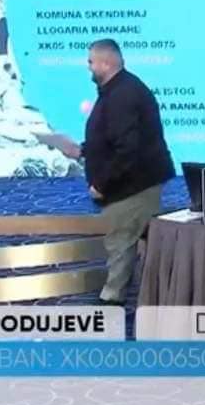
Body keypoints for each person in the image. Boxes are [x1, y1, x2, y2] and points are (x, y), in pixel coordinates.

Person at [44, 40, 175, 306]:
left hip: (133, 187)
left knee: (121, 241)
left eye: (91, 61)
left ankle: (112, 301)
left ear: (106, 63)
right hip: (134, 183)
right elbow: (112, 139)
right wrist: (82, 151)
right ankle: (150, 296)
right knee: (130, 239)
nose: (88, 67)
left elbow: (127, 150)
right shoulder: (117, 90)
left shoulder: (123, 95)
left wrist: (102, 184)